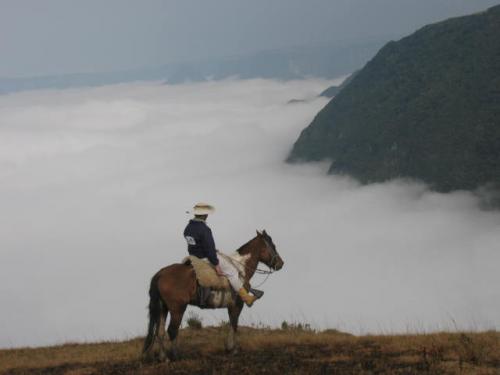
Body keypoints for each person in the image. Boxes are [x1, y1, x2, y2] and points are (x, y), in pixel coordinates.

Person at [183, 203, 257, 307]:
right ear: (205, 215)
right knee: (232, 272)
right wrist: (216, 265)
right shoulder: (205, 229)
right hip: (205, 258)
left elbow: (193, 244)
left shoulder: (188, 227)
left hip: (194, 257)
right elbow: (209, 250)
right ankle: (247, 298)